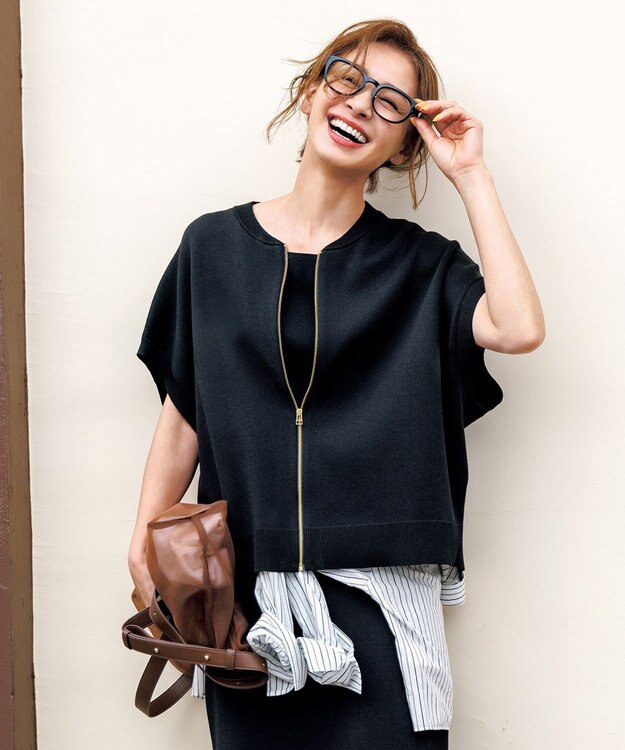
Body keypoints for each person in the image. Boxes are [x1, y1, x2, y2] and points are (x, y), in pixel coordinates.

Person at [128, 17, 545, 750]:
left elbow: (517, 328)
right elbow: (184, 412)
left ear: (405, 143)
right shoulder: (210, 248)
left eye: (390, 102)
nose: (359, 104)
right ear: (310, 90)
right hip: (243, 606)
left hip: (379, 601)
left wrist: (470, 174)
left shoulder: (420, 265)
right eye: (346, 79)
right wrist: (145, 542)